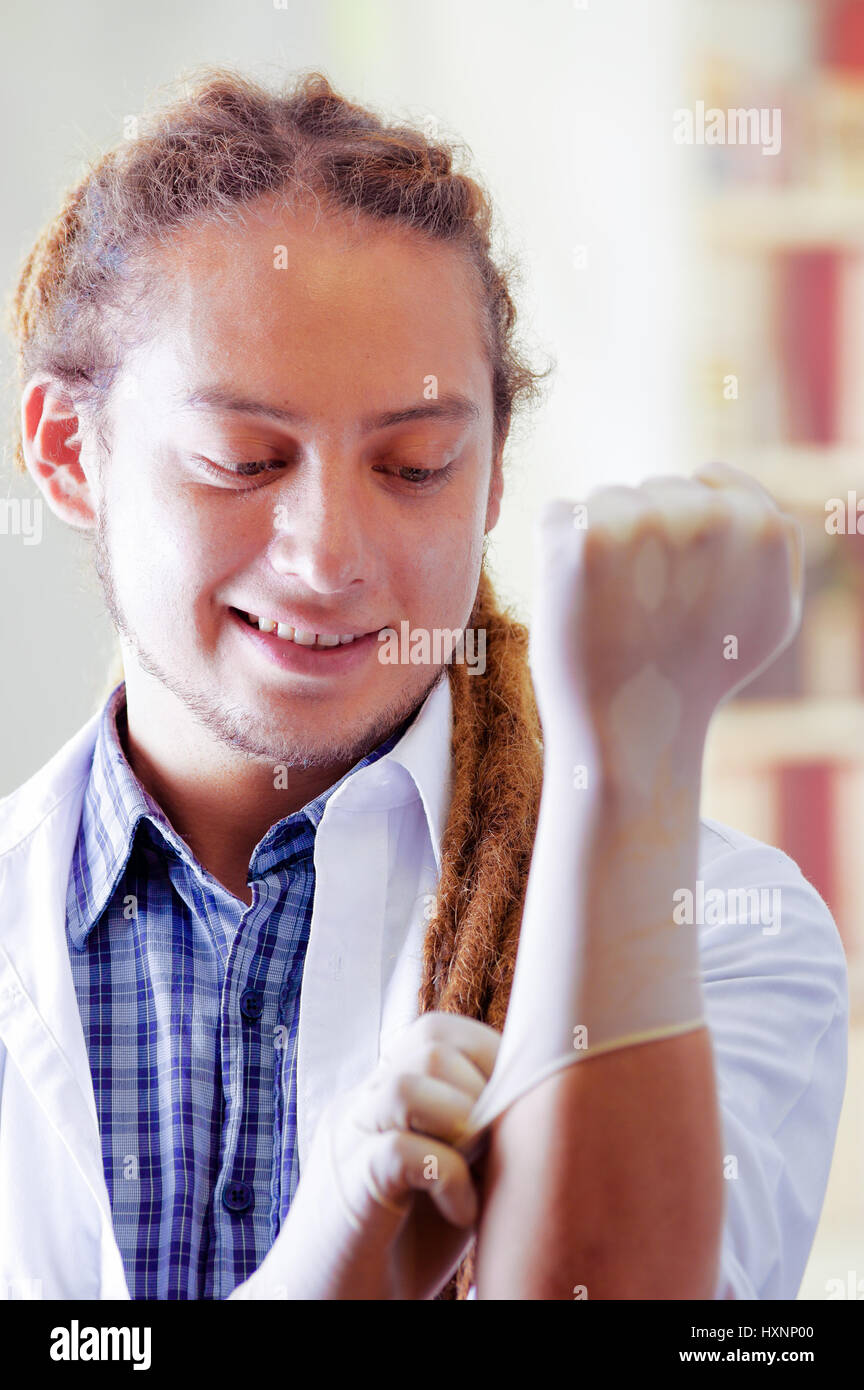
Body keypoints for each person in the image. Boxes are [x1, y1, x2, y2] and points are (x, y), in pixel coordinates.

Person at [0, 68, 847, 1301]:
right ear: (71, 456)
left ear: (495, 475)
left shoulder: (724, 931)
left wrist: (636, 763)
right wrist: (322, 1271)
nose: (329, 554)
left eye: (415, 465)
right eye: (243, 459)